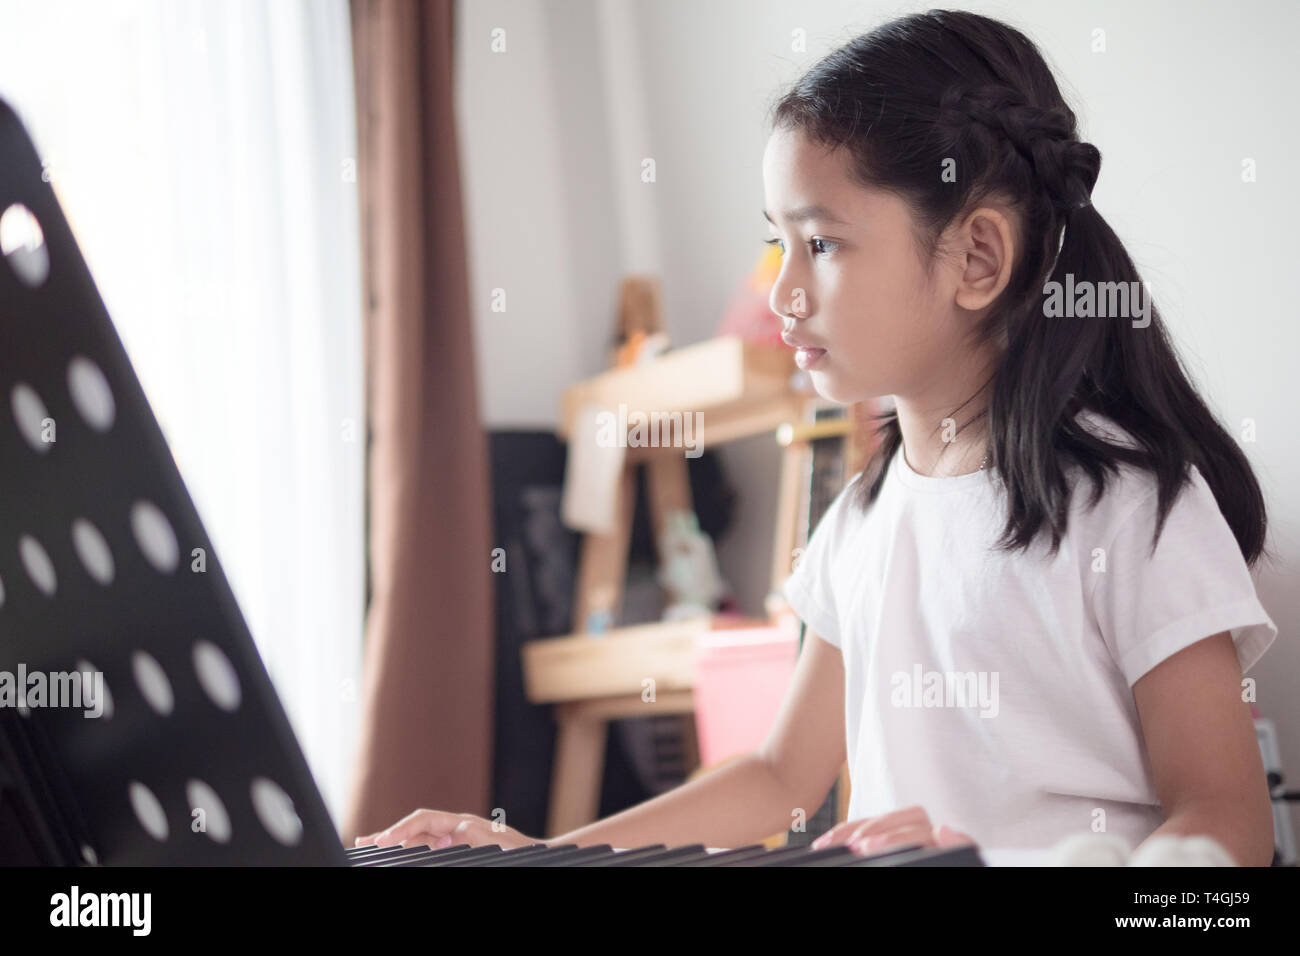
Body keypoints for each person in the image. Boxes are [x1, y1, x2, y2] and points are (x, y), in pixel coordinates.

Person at [359, 9, 1278, 865]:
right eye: (777, 246)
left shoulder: (1130, 507)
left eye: (822, 245)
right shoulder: (860, 524)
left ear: (978, 258)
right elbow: (777, 778)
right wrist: (550, 857)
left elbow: (1229, 825)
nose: (780, 293)